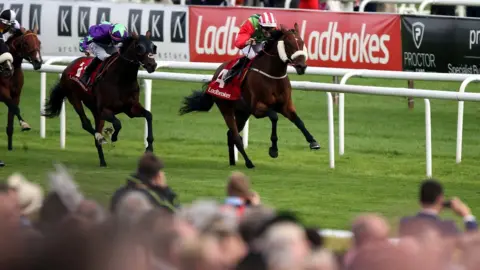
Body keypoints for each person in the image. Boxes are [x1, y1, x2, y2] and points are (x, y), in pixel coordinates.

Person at [400, 179, 477, 236]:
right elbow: (473, 243)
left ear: (420, 200)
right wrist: (467, 215)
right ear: (440, 199)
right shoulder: (447, 226)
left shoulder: (406, 223)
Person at [110, 152, 180, 213]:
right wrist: (165, 189)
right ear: (157, 176)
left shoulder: (119, 192)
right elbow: (175, 211)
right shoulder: (155, 198)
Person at [223, 12, 278, 84]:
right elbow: (238, 43)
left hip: (259, 41)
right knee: (252, 56)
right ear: (260, 26)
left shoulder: (274, 28)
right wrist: (247, 42)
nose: (269, 31)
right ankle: (232, 72)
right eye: (267, 28)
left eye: (271, 29)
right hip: (247, 40)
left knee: (264, 57)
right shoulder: (251, 23)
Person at [78, 22, 129, 87]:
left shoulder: (124, 35)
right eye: (115, 40)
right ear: (110, 33)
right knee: (104, 56)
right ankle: (86, 74)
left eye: (118, 41)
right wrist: (84, 48)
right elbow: (84, 40)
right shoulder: (100, 32)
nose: (117, 42)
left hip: (108, 43)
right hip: (95, 43)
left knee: (117, 57)